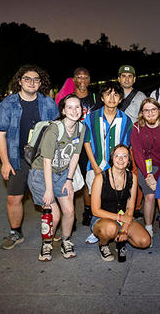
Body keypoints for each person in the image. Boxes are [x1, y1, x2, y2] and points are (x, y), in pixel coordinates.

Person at [0, 65, 59, 249]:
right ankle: (16, 232)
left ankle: (53, 229)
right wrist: (5, 162)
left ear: (41, 83)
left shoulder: (48, 103)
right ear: (20, 81)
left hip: (43, 159)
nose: (32, 82)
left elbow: (57, 130)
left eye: (36, 79)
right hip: (17, 158)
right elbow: (0, 134)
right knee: (14, 198)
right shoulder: (7, 104)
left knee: (50, 197)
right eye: (27, 79)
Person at [27, 94, 86, 261]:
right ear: (63, 110)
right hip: (42, 174)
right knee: (55, 215)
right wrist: (49, 190)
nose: (74, 111)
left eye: (78, 107)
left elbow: (75, 155)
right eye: (70, 107)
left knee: (69, 211)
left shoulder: (81, 128)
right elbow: (47, 161)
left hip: (63, 173)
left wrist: (69, 180)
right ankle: (46, 243)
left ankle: (66, 241)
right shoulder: (55, 129)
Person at [83, 81, 133, 242]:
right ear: (102, 97)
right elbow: (87, 142)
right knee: (95, 198)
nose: (112, 98)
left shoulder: (126, 120)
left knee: (116, 197)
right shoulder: (91, 118)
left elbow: (126, 146)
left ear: (120, 99)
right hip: (96, 164)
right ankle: (96, 227)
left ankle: (116, 225)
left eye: (116, 94)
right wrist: (96, 167)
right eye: (108, 94)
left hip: (117, 167)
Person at [90, 144, 151, 262]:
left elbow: (130, 207)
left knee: (145, 241)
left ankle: (121, 238)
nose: (121, 159)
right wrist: (120, 218)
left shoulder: (132, 177)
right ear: (112, 158)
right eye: (117, 156)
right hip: (101, 218)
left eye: (125, 156)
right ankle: (103, 245)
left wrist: (124, 229)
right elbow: (95, 210)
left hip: (123, 217)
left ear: (129, 160)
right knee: (110, 228)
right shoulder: (100, 178)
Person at [131, 98, 160, 243]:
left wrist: (157, 176)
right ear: (141, 113)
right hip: (145, 168)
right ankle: (149, 227)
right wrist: (148, 175)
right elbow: (138, 153)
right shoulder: (137, 127)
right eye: (146, 110)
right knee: (150, 196)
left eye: (153, 110)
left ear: (159, 111)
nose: (150, 113)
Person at [70, 67, 103, 226]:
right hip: (72, 145)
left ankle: (88, 210)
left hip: (91, 145)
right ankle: (70, 214)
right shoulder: (69, 99)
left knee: (87, 181)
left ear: (89, 80)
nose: (82, 80)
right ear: (74, 79)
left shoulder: (96, 98)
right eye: (79, 77)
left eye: (85, 77)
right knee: (69, 180)